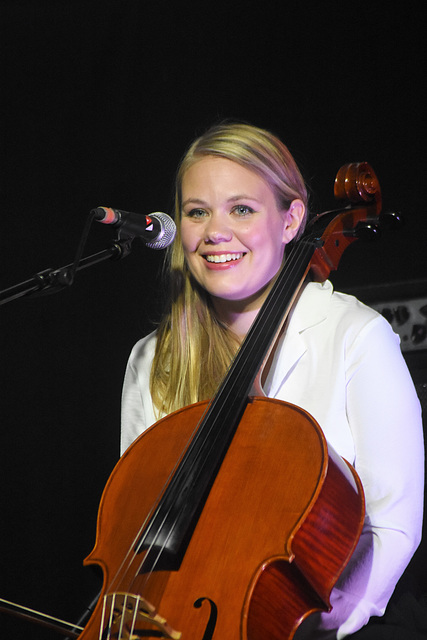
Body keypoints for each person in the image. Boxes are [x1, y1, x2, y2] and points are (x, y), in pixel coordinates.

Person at [120, 122, 424, 639]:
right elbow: (137, 531)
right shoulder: (152, 359)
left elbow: (392, 529)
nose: (216, 231)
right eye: (197, 211)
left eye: (242, 209)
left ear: (292, 221)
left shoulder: (357, 337)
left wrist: (286, 623)